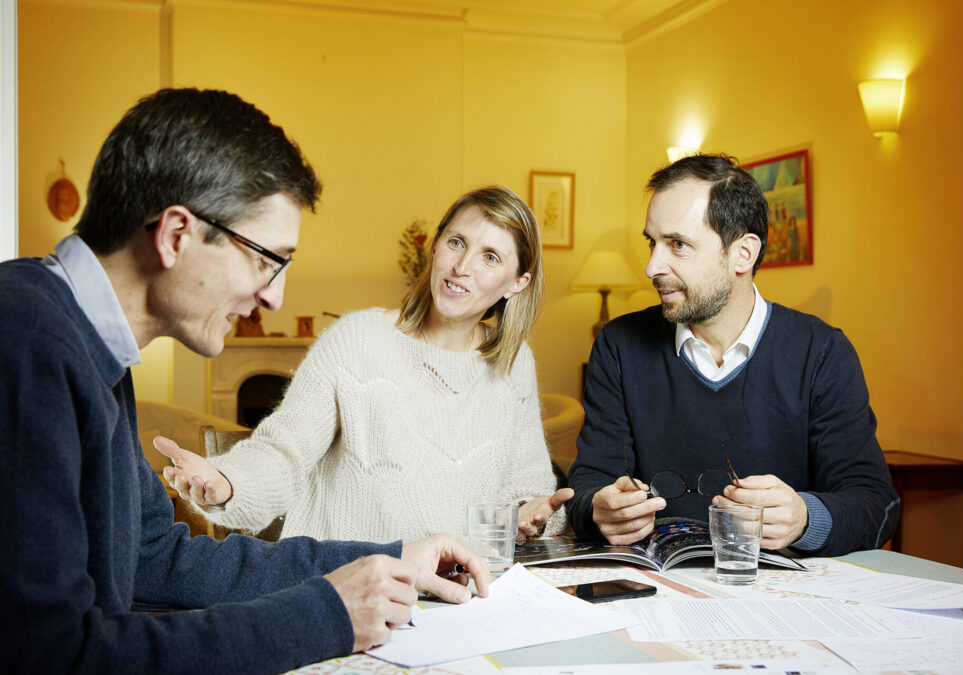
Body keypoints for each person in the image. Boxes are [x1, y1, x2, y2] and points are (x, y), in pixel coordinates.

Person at [0, 88, 490, 674]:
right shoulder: (25, 340)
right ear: (177, 234)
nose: (274, 296)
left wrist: (393, 557)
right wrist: (326, 615)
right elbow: (51, 657)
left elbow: (159, 557)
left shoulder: (80, 340)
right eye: (266, 259)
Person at [159, 185, 573, 543]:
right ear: (436, 244)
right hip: (357, 591)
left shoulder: (514, 364)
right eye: (457, 242)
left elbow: (532, 492)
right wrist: (229, 484)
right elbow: (285, 451)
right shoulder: (357, 339)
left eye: (490, 258)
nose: (461, 268)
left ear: (518, 282)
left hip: (462, 597)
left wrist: (528, 516)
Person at [566, 153, 899, 557]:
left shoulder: (821, 351)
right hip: (655, 593)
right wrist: (597, 508)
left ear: (743, 253)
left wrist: (805, 518)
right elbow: (585, 487)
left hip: (783, 600)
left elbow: (877, 505)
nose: (653, 266)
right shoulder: (618, 345)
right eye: (653, 243)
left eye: (678, 245)